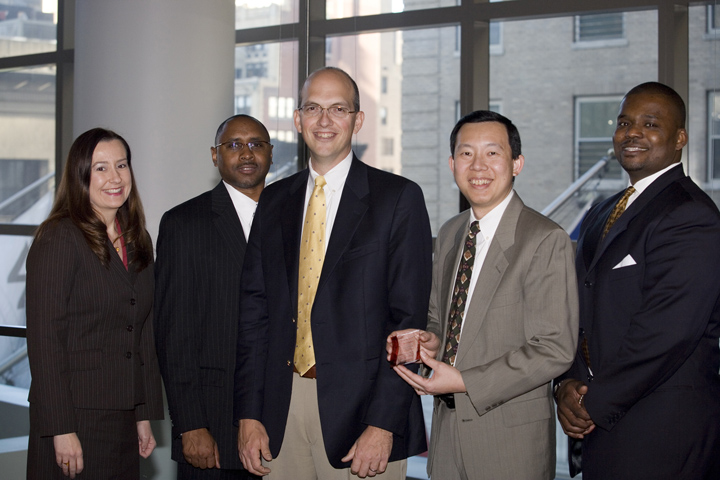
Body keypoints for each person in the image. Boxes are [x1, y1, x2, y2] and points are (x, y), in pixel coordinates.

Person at [234, 66, 432, 479]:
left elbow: (408, 325)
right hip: (280, 410)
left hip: (363, 416)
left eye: (338, 109)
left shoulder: (398, 198)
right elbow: (254, 315)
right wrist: (249, 413)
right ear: (297, 119)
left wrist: (383, 423)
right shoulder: (273, 201)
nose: (324, 120)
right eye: (313, 108)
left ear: (357, 121)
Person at [389, 110, 579, 480]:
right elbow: (439, 318)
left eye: (492, 153)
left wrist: (465, 382)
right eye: (466, 154)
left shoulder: (544, 239)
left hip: (510, 445)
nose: (478, 166)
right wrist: (430, 341)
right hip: (447, 439)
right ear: (452, 164)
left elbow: (554, 347)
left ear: (517, 163)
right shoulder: (450, 233)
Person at [555, 82, 720, 479]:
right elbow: (576, 308)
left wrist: (593, 403)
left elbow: (668, 333)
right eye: (624, 123)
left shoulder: (691, 215)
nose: (632, 133)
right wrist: (566, 382)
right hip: (601, 426)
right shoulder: (601, 212)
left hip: (662, 432)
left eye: (650, 124)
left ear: (679, 138)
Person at [25, 128, 164, 479]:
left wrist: (143, 413)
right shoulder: (59, 236)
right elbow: (44, 339)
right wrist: (61, 428)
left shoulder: (137, 238)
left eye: (122, 165)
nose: (115, 178)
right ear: (80, 175)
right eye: (101, 168)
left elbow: (142, 329)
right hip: (74, 416)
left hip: (124, 415)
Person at [154, 114, 272, 479]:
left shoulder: (292, 218)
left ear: (271, 153)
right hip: (213, 426)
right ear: (214, 155)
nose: (246, 154)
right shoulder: (183, 223)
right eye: (233, 145)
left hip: (284, 425)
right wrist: (190, 424)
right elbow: (173, 334)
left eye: (256, 144)